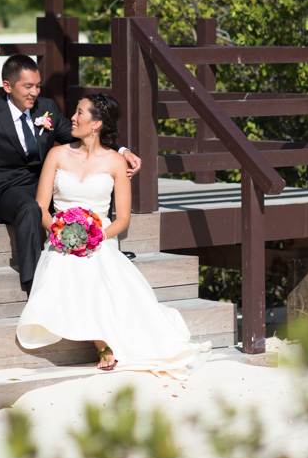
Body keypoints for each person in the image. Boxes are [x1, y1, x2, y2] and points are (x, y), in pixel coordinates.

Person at [16, 93, 212, 377]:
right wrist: (60, 233)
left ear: (96, 124)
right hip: (60, 239)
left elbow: (122, 219)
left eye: (80, 112)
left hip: (101, 237)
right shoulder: (57, 155)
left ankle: (108, 340)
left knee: (98, 267)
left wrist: (93, 238)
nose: (72, 117)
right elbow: (40, 207)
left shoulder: (115, 162)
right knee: (68, 263)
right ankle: (103, 343)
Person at [0, 54, 141, 295]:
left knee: (90, 187)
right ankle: (35, 282)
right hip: (3, 190)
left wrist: (123, 151)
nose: (35, 92)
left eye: (38, 85)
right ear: (7, 86)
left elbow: (85, 135)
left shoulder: (47, 108)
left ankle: (104, 253)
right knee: (31, 208)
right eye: (28, 86)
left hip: (41, 184)